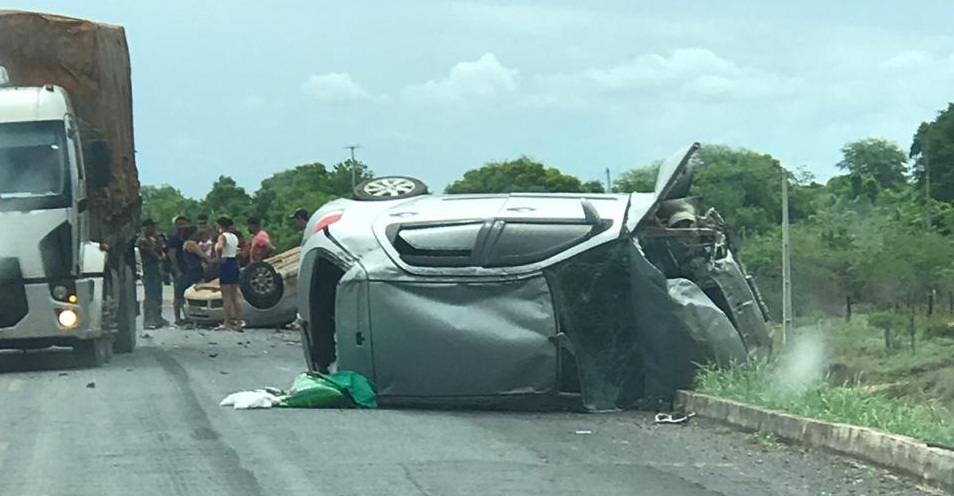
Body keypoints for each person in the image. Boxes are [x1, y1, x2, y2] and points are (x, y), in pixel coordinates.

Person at [137, 219, 169, 329]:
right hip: (148, 271)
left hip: (156, 271)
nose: (154, 229)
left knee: (158, 295)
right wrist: (160, 255)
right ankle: (148, 320)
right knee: (150, 296)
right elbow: (156, 255)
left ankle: (157, 317)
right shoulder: (142, 241)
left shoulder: (152, 240)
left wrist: (158, 240)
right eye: (151, 227)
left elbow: (161, 252)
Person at [214, 217, 245, 331]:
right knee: (235, 296)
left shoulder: (223, 236)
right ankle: (238, 322)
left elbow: (220, 247)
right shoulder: (234, 237)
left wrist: (218, 257)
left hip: (225, 263)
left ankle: (226, 323)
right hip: (233, 263)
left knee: (226, 297)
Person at [164, 215, 190, 326]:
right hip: (179, 270)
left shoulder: (187, 237)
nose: (182, 226)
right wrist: (177, 270)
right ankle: (177, 318)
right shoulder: (174, 238)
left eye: (184, 223)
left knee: (187, 295)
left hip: (188, 269)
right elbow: (172, 254)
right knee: (178, 296)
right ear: (175, 225)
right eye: (179, 224)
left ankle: (187, 316)